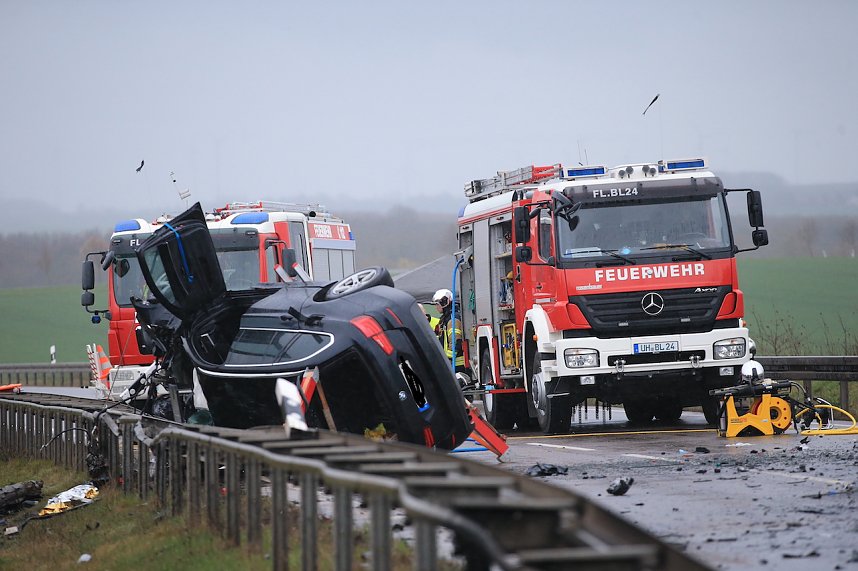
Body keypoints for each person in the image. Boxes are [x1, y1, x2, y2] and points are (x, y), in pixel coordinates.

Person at [432, 289, 469, 383]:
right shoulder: (446, 318)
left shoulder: (452, 320)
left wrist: (447, 359)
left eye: (437, 303)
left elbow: (456, 342)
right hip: (452, 363)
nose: (436, 306)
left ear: (444, 302)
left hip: (456, 364)